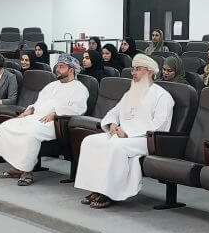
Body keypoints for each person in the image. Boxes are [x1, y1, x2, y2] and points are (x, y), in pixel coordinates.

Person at [74, 54, 174, 208]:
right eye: (133, 69)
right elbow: (114, 112)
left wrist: (128, 133)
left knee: (115, 146)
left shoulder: (162, 96)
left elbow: (159, 126)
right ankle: (96, 188)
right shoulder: (131, 93)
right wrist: (113, 124)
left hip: (146, 140)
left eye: (138, 69)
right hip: (123, 135)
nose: (133, 73)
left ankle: (110, 193)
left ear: (150, 72)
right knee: (90, 141)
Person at [0, 53, 89, 186]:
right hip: (36, 117)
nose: (57, 69)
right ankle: (16, 167)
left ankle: (26, 172)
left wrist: (55, 113)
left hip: (56, 123)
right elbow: (39, 102)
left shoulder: (79, 88)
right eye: (57, 66)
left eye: (61, 67)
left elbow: (78, 109)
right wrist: (29, 110)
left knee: (30, 134)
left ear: (71, 70)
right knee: (7, 126)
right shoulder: (52, 85)